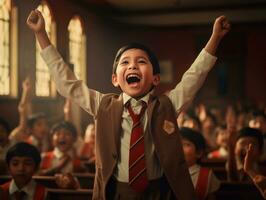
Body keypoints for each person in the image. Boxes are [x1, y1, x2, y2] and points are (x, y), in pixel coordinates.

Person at [27, 9, 230, 200]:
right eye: (125, 62)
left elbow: (195, 76)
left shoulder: (167, 105)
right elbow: (66, 82)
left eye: (141, 61)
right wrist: (41, 35)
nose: (133, 65)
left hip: (159, 191)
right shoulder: (102, 105)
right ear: (115, 79)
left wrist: (215, 38)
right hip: (117, 191)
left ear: (156, 79)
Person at [180, 127, 220, 200]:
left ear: (199, 153)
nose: (179, 147)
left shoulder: (205, 175)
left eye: (186, 144)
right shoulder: (167, 172)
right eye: (177, 143)